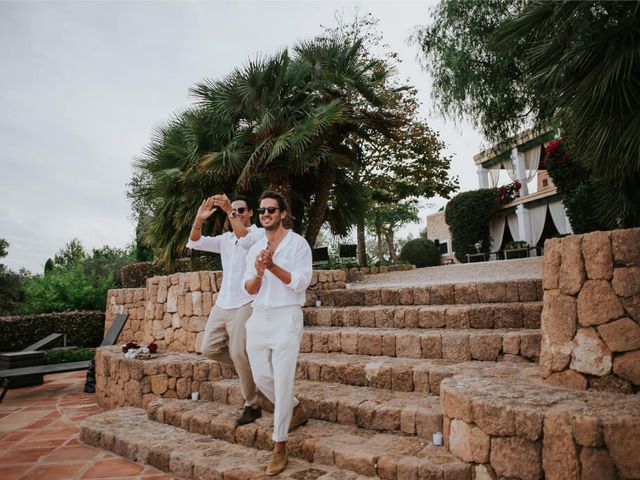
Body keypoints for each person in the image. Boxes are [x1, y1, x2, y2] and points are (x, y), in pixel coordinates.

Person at [243, 190, 312, 476]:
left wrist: (273, 267)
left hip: (286, 317)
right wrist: (260, 271)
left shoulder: (298, 244)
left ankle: (280, 445)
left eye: (271, 210)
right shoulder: (254, 247)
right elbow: (247, 288)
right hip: (259, 317)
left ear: (282, 213)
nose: (266, 215)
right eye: (262, 211)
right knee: (261, 378)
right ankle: (295, 408)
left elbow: (300, 282)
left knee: (283, 381)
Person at [187, 194, 264, 426]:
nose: (238, 214)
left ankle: (252, 404)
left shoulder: (257, 234)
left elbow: (245, 238)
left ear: (250, 213)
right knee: (209, 349)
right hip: (223, 303)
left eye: (242, 211)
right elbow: (195, 241)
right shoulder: (225, 239)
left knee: (239, 353)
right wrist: (199, 219)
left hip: (245, 301)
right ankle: (255, 369)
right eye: (235, 211)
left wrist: (229, 208)